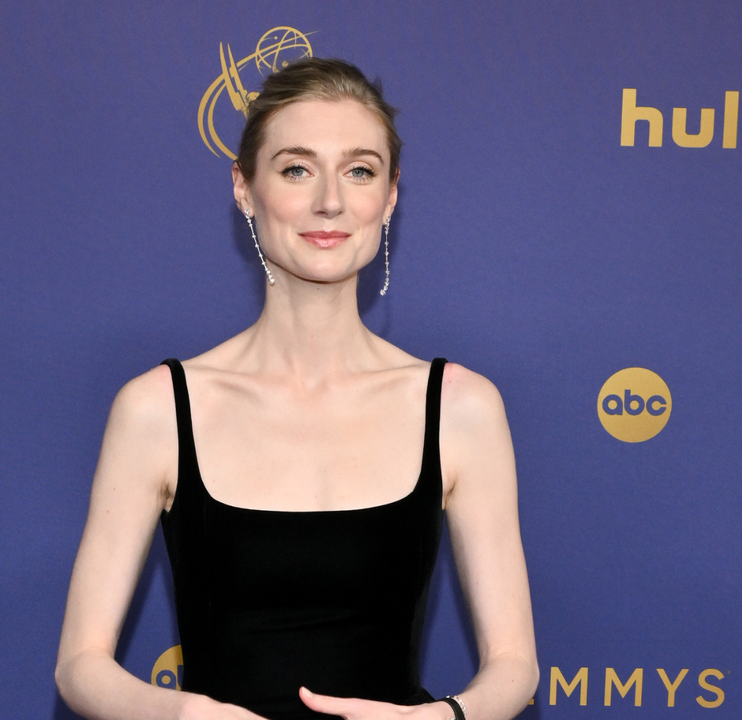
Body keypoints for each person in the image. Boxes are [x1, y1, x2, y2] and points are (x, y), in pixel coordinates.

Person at [56, 58, 537, 720]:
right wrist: (187, 716)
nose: (330, 201)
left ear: (391, 196)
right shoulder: (159, 409)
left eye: (360, 170)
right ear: (244, 189)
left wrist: (441, 719)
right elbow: (81, 664)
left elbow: (514, 666)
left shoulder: (461, 408)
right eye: (296, 168)